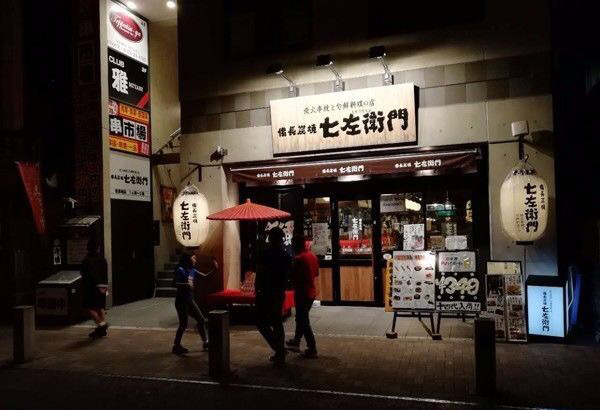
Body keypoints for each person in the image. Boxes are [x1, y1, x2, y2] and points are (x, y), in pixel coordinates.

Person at [255, 227, 291, 363]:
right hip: (279, 292)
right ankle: (280, 351)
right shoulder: (286, 255)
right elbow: (287, 276)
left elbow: (259, 273)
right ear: (282, 238)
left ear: (270, 238)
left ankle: (279, 350)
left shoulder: (264, 254)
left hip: (266, 292)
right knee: (277, 322)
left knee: (261, 323)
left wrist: (257, 290)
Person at [172, 252, 217, 355]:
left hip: (190, 301)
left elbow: (204, 277)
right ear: (188, 259)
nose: (195, 261)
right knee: (183, 324)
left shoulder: (193, 270)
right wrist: (186, 285)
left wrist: (214, 269)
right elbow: (174, 283)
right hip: (181, 301)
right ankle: (176, 346)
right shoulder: (180, 270)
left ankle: (205, 343)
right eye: (194, 258)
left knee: (201, 320)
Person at [286, 235, 319, 358]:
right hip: (311, 292)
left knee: (303, 321)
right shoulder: (312, 256)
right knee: (301, 319)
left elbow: (292, 277)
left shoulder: (299, 259)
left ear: (295, 245)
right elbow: (316, 273)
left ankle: (312, 348)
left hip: (302, 293)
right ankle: (296, 341)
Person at [81, 237, 109, 338]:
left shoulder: (87, 260)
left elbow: (84, 274)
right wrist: (105, 285)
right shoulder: (102, 259)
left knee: (89, 307)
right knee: (100, 306)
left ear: (88, 248)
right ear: (98, 248)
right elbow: (105, 272)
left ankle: (101, 325)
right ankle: (102, 328)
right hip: (103, 286)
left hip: (91, 287)